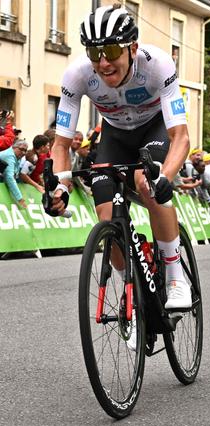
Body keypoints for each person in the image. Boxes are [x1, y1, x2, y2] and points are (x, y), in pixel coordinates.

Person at [47, 4, 192, 314]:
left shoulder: (158, 66)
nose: (103, 62)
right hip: (114, 136)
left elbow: (181, 136)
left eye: (111, 50)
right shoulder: (77, 75)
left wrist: (165, 176)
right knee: (105, 216)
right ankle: (131, 283)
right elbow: (60, 145)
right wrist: (60, 187)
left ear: (132, 47)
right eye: (94, 52)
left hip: (154, 130)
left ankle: (176, 276)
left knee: (145, 180)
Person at [0, 139, 29, 208]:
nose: (24, 152)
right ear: (13, 147)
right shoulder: (9, 156)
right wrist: (20, 198)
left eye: (25, 150)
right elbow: (9, 178)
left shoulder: (17, 156)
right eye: (21, 149)